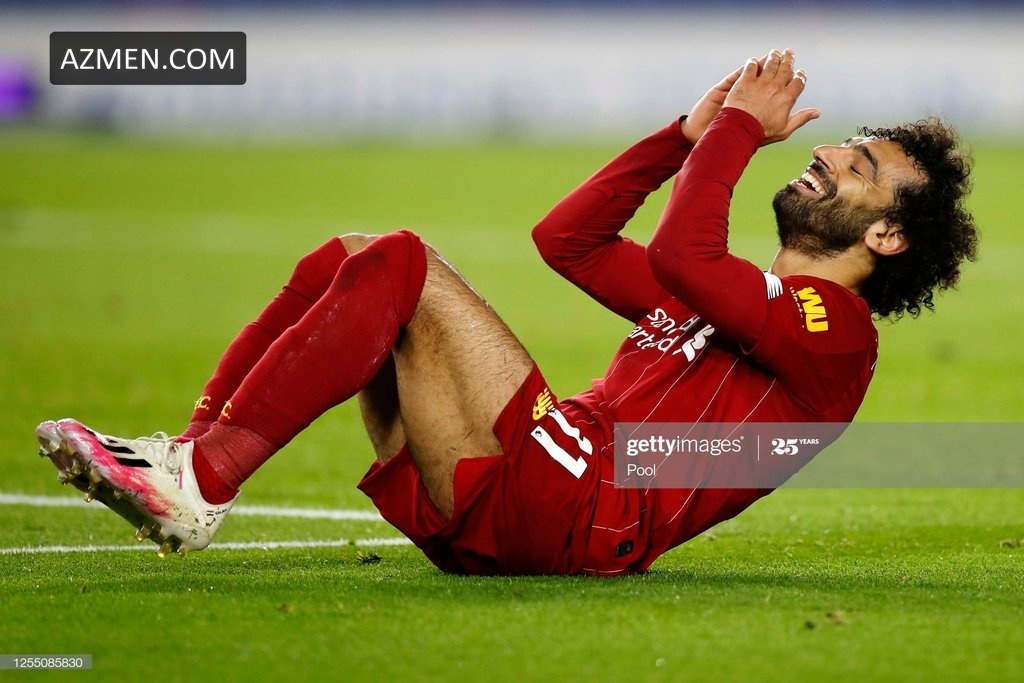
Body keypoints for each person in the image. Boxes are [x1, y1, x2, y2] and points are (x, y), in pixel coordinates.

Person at [36, 49, 978, 574]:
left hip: (582, 504)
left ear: (886, 236)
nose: (831, 155)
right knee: (352, 256)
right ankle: (186, 456)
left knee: (403, 263)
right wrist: (681, 138)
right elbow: (566, 240)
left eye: (861, 167)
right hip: (541, 494)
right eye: (845, 146)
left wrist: (734, 129)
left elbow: (682, 255)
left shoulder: (836, 336)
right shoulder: (736, 301)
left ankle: (199, 483)